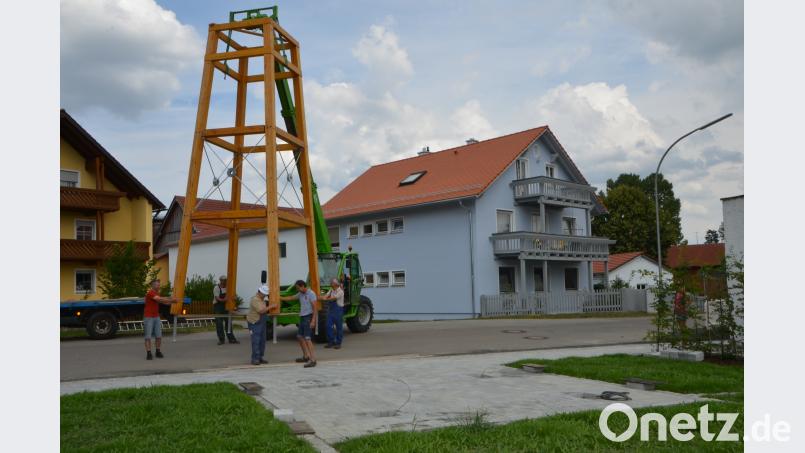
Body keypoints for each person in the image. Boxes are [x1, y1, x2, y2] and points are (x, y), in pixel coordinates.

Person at [281, 280, 318, 367]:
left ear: (303, 286)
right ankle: (306, 356)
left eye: (298, 288)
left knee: (307, 339)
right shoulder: (300, 294)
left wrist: (313, 320)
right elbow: (291, 298)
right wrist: (280, 298)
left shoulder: (311, 294)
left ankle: (313, 360)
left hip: (308, 317)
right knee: (300, 337)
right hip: (302, 317)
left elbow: (315, 308)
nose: (297, 290)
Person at [144, 279, 176, 360]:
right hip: (148, 317)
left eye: (159, 285)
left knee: (159, 336)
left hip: (156, 317)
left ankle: (158, 351)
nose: (159, 286)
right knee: (148, 336)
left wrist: (172, 302)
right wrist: (171, 300)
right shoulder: (150, 293)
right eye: (157, 285)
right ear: (153, 285)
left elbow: (163, 302)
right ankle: (148, 353)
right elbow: (159, 299)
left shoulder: (157, 293)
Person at [247, 285, 274, 365]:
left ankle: (260, 357)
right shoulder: (255, 300)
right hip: (254, 323)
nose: (265, 295)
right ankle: (255, 359)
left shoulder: (262, 299)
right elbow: (261, 311)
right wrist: (271, 306)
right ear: (260, 292)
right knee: (256, 341)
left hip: (261, 322)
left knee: (262, 341)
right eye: (264, 294)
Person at [213, 276, 239, 345]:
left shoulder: (229, 288)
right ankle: (221, 340)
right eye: (223, 280)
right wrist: (225, 299)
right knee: (219, 323)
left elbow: (234, 296)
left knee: (228, 322)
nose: (224, 282)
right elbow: (217, 298)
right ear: (220, 280)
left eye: (225, 280)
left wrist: (234, 298)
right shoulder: (216, 288)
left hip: (226, 307)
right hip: (218, 307)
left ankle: (231, 339)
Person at [321, 278, 345, 349]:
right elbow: (326, 295)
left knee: (339, 328)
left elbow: (334, 298)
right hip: (331, 311)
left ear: (335, 284)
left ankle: (338, 343)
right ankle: (331, 341)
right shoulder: (331, 290)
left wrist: (325, 299)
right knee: (328, 326)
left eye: (331, 283)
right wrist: (323, 297)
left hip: (338, 311)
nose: (330, 283)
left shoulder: (340, 291)